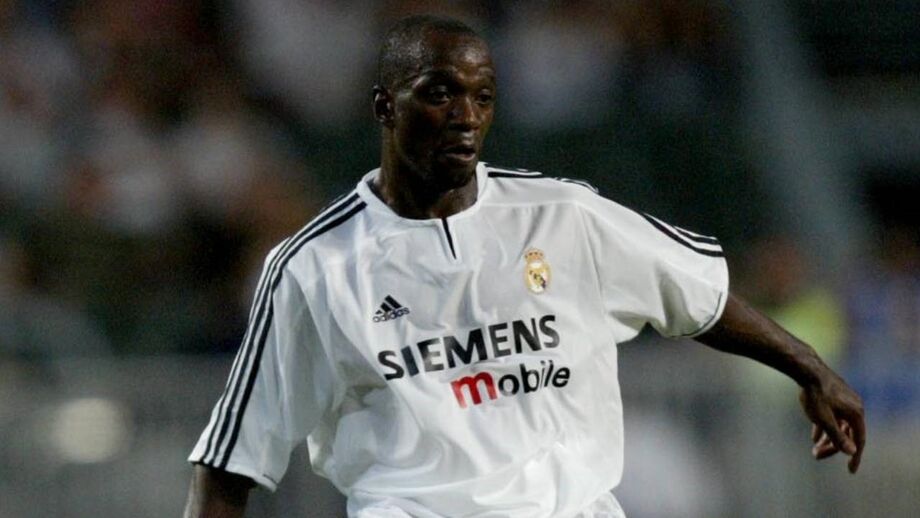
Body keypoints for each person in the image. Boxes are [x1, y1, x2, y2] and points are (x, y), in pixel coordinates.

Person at [183, 15, 865, 518]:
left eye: (482, 97)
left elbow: (698, 295)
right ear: (384, 106)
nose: (466, 116)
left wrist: (810, 368)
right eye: (440, 92)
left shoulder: (563, 217)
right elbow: (229, 464)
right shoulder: (314, 269)